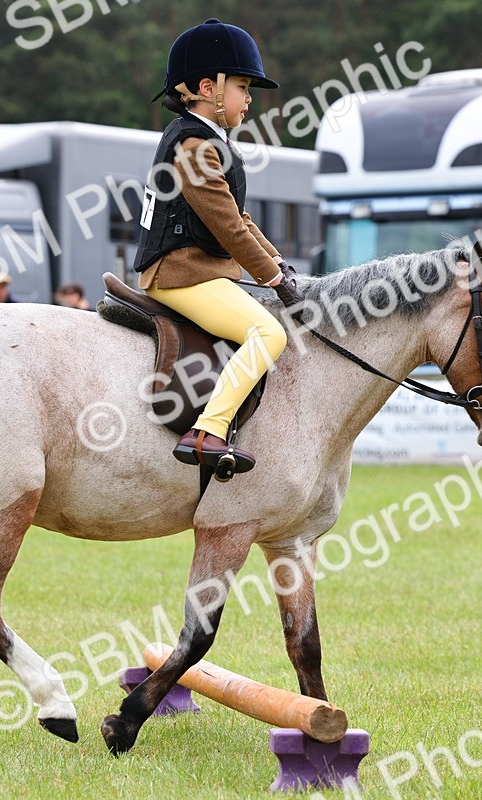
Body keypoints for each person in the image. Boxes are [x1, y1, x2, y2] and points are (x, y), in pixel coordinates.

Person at [132, 19, 303, 475]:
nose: (249, 99)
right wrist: (271, 278)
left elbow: (240, 218)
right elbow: (227, 227)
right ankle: (209, 430)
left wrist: (280, 264)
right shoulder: (194, 145)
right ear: (209, 88)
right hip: (181, 271)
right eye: (243, 87)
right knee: (270, 333)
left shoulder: (211, 141)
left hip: (197, 269)